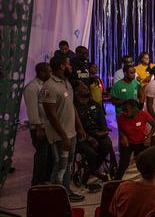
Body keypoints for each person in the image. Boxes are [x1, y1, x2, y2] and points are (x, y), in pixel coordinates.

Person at [41, 56, 86, 201]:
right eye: (68, 64)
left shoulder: (66, 83)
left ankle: (66, 191)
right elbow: (51, 115)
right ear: (61, 66)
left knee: (69, 165)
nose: (71, 66)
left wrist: (79, 126)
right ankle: (55, 196)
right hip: (60, 135)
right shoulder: (49, 86)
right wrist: (64, 136)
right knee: (60, 165)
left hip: (71, 132)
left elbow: (71, 106)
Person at [73, 81, 112, 191]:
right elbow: (75, 127)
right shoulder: (74, 107)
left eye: (87, 88)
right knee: (90, 151)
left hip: (98, 134)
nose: (87, 90)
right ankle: (94, 171)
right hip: (82, 137)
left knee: (107, 145)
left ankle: (91, 169)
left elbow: (102, 122)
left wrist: (104, 131)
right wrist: (89, 139)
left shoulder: (95, 105)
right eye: (84, 89)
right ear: (76, 92)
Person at [23, 62, 53, 185]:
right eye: (49, 71)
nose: (51, 74)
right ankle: (37, 182)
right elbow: (32, 109)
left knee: (50, 154)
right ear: (41, 73)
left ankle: (47, 178)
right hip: (40, 127)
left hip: (49, 126)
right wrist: (38, 127)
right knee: (42, 155)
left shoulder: (46, 85)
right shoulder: (32, 87)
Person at [116, 99, 155, 179]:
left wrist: (149, 137)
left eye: (126, 110)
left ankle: (149, 180)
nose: (124, 112)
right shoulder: (121, 117)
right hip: (128, 143)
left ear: (134, 109)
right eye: (123, 110)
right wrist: (123, 136)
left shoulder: (143, 114)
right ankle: (115, 183)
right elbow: (120, 129)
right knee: (123, 164)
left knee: (146, 163)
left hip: (141, 142)